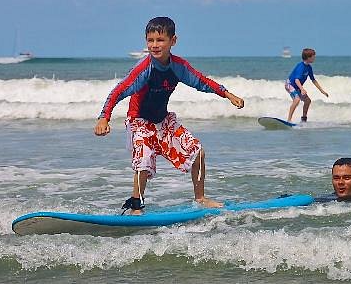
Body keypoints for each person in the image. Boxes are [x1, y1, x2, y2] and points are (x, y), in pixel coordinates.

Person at [94, 17, 245, 215]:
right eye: (150, 40)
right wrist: (104, 117)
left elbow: (201, 81)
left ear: (173, 41)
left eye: (160, 40)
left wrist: (227, 94)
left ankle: (200, 198)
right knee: (143, 159)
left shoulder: (178, 66)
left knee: (197, 151)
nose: (154, 45)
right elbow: (118, 91)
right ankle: (136, 205)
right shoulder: (144, 70)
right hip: (139, 120)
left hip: (163, 121)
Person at [285, 48, 328, 122]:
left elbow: (313, 80)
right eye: (313, 56)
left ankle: (304, 119)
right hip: (289, 85)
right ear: (308, 57)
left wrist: (322, 91)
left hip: (297, 87)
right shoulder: (301, 66)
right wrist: (302, 89)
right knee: (297, 100)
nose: (314, 58)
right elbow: (296, 80)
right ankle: (289, 120)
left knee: (307, 101)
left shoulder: (309, 67)